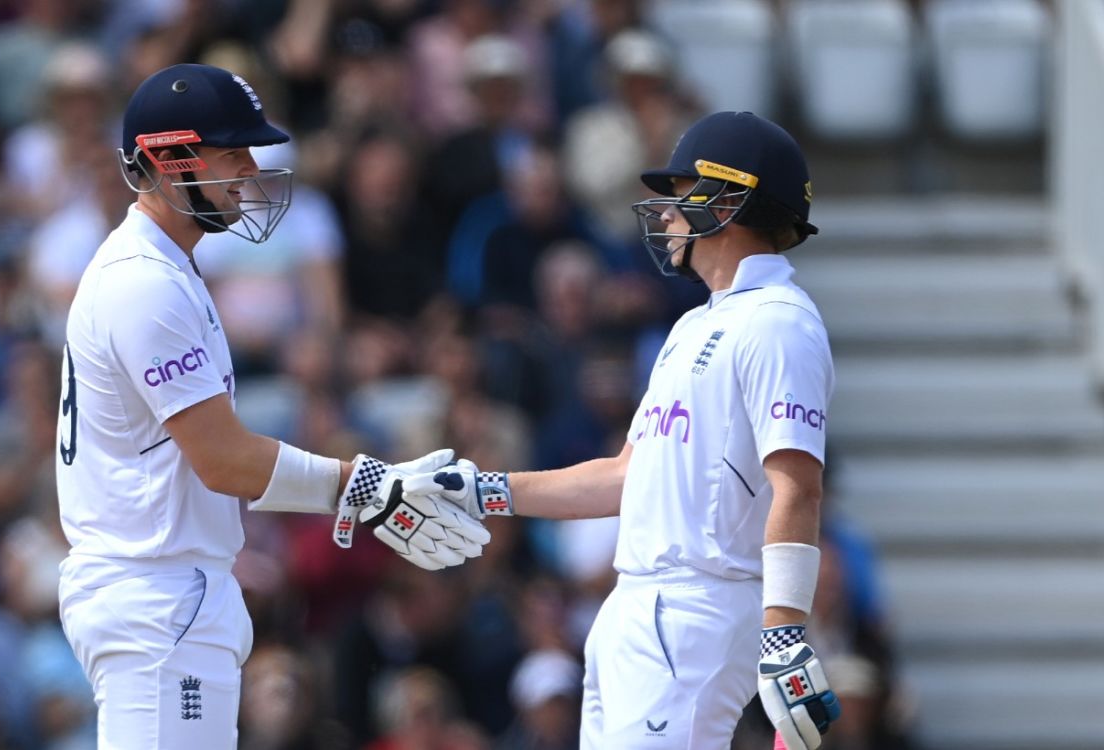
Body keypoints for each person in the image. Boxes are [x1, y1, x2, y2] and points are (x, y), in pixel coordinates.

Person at [54, 63, 490, 750]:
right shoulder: (143, 283)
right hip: (156, 592)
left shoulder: (165, 268)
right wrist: (366, 488)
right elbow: (224, 460)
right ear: (168, 160)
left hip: (169, 589)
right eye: (232, 152)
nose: (251, 170)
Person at [402, 111, 842, 749]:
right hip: (635, 606)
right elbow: (623, 475)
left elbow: (798, 486)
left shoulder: (779, 322)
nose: (664, 213)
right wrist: (479, 490)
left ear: (727, 202)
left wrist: (784, 630)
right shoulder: (694, 325)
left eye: (679, 194)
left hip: (695, 608)